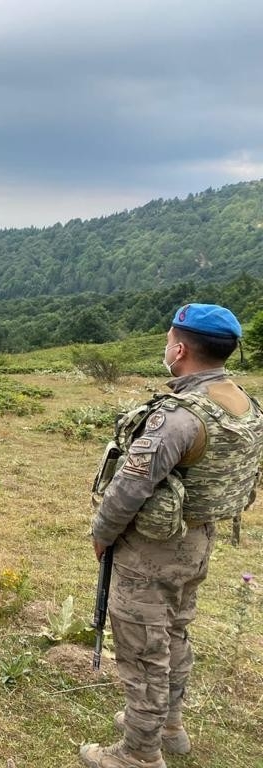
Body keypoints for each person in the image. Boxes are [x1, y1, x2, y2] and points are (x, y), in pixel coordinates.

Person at [80, 303, 263, 768]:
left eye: (168, 341)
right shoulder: (243, 403)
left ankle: (139, 752)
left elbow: (130, 485)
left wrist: (102, 533)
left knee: (143, 645)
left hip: (153, 549)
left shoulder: (180, 417)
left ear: (180, 350)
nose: (166, 348)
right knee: (174, 631)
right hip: (198, 540)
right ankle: (169, 726)